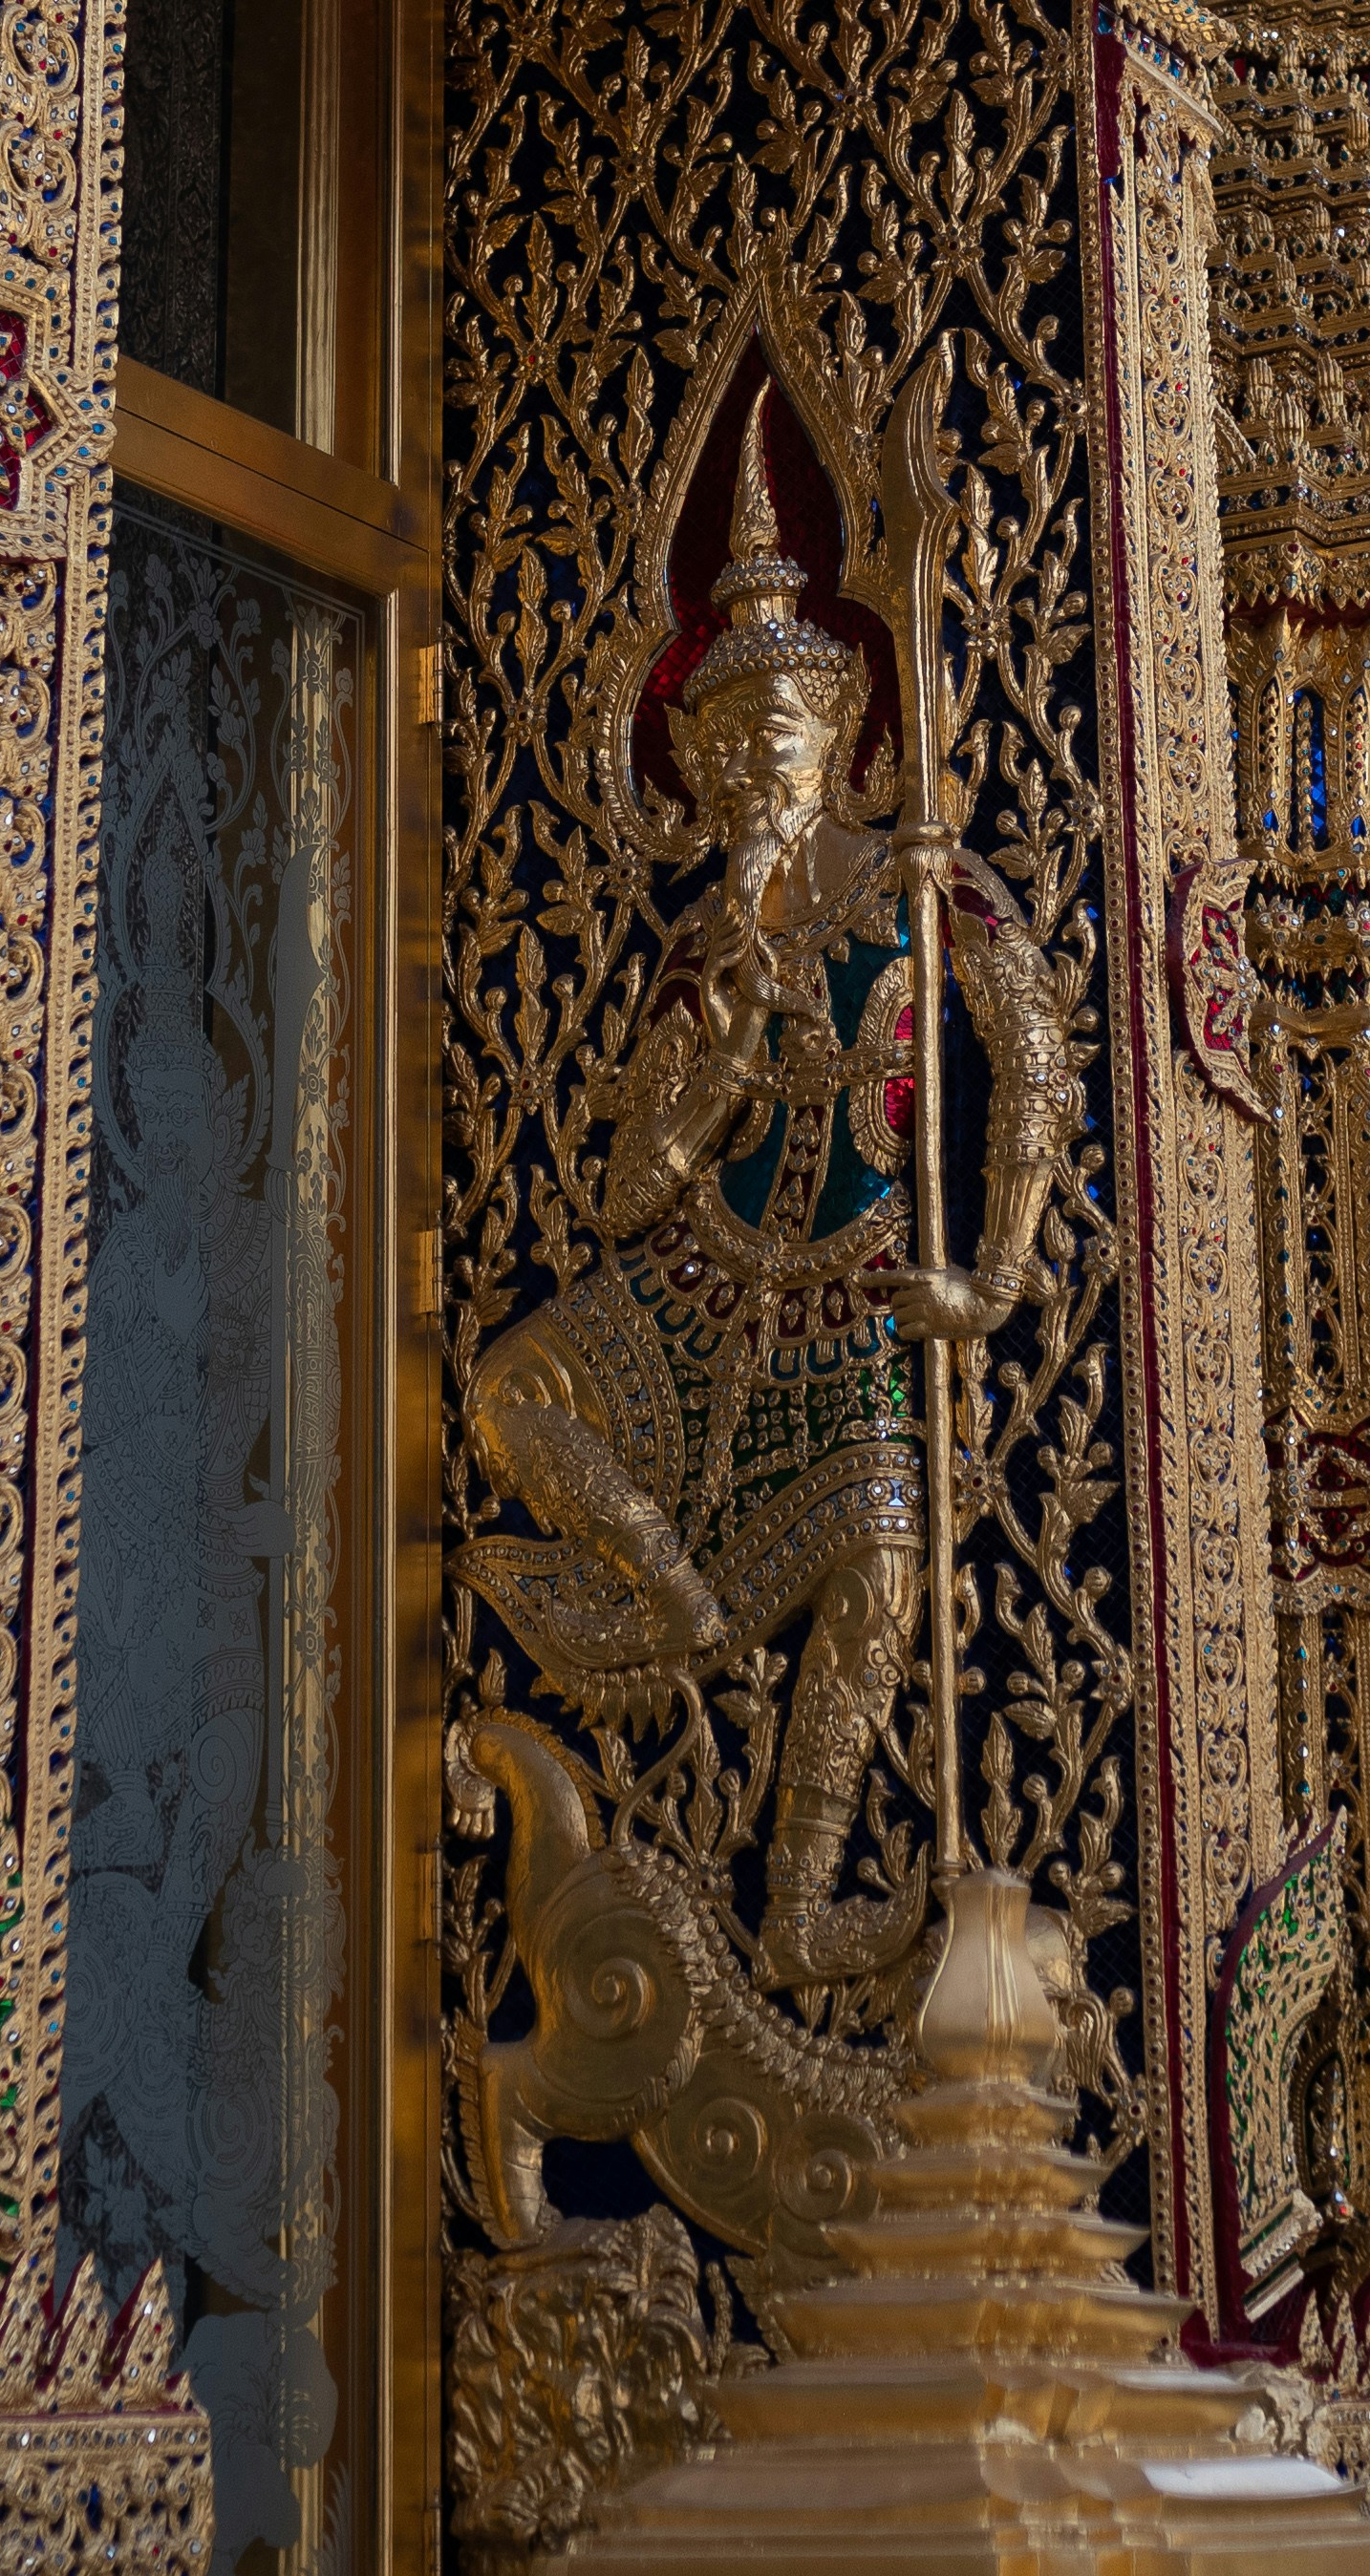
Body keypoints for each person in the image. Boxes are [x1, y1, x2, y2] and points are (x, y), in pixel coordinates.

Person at [460, 392, 1072, 1984]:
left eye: (773, 747)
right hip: (696, 1285)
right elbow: (620, 1186)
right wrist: (716, 1041)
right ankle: (664, 1591)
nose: (745, 781)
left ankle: (796, 1897)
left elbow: (1035, 1070)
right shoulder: (697, 941)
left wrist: (992, 1277)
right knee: (504, 1395)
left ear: (840, 745)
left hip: (859, 1282)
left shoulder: (917, 883)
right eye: (718, 754)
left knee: (882, 1565)